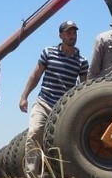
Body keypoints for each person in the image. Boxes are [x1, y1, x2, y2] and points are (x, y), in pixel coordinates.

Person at [19, 20, 90, 156]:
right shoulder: (48, 52)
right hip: (44, 102)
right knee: (34, 134)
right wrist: (24, 97)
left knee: (63, 143)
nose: (72, 36)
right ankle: (33, 177)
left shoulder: (82, 61)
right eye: (68, 33)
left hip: (64, 108)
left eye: (74, 33)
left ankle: (58, 175)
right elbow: (35, 76)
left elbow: (83, 87)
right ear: (60, 36)